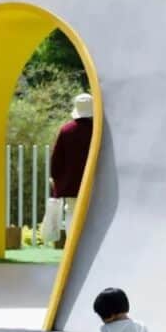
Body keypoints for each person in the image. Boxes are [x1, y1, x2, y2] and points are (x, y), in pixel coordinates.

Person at [49, 92, 93, 248]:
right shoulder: (97, 131)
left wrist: (56, 180)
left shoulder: (66, 130)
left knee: (71, 214)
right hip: (94, 184)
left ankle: (73, 247)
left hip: (71, 185)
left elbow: (56, 159)